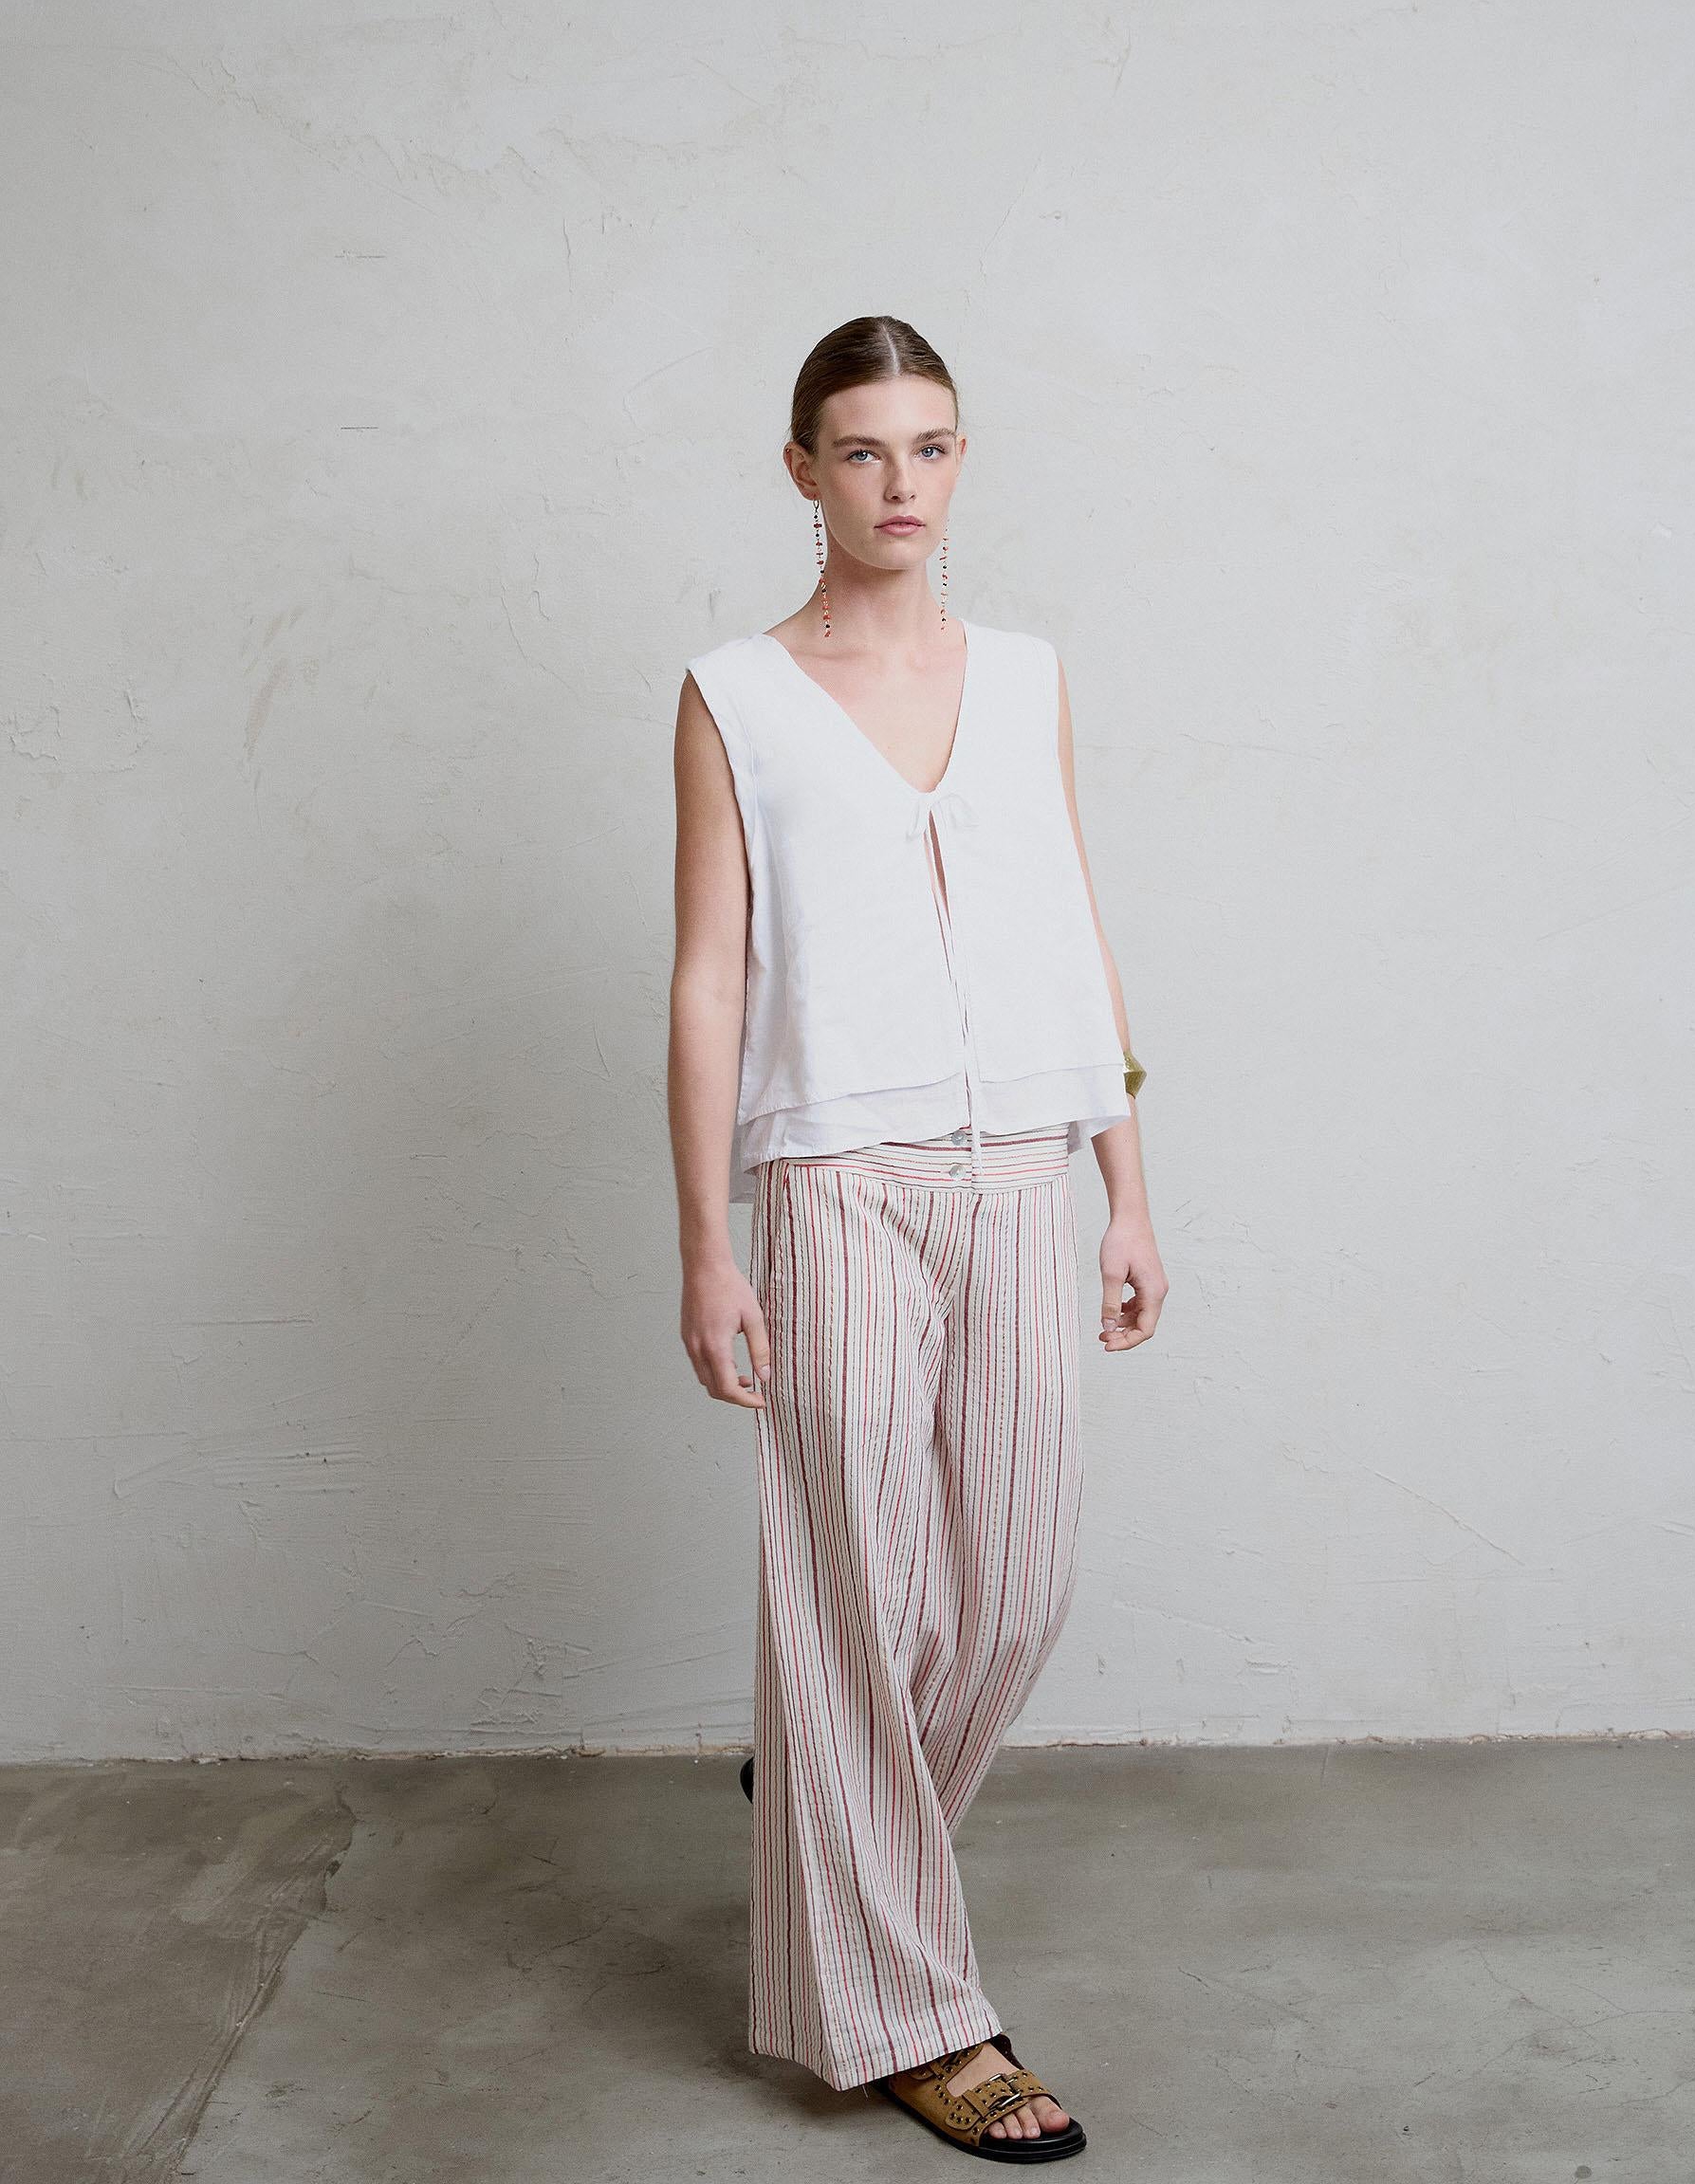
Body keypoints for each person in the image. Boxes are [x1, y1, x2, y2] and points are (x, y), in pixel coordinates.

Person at [669, 314, 1168, 2160]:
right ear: (803, 468)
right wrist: (707, 1245)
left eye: (934, 448)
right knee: (857, 1597)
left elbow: (1071, 925)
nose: (903, 485)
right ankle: (920, 2027)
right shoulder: (735, 695)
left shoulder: (1025, 680)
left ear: (963, 463)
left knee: (1012, 1588)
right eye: (866, 450)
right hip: (837, 1184)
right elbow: (709, 979)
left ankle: (823, 1791)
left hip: (1024, 1170)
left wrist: (1127, 1182)